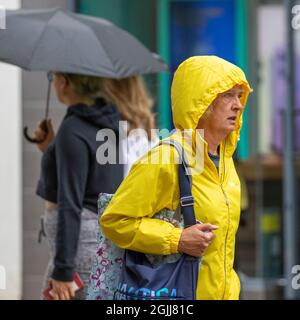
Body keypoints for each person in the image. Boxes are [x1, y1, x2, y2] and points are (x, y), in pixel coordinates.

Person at [100, 56, 252, 300]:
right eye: (227, 95)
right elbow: (116, 221)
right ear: (201, 103)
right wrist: (178, 239)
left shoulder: (224, 160)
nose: (238, 105)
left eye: (239, 95)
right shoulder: (167, 157)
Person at [33, 73, 156, 300]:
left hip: (78, 245)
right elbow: (89, 174)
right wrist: (51, 148)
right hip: (95, 241)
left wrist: (63, 270)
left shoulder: (74, 128)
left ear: (65, 84)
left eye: (55, 76)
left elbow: (71, 204)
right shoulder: (105, 124)